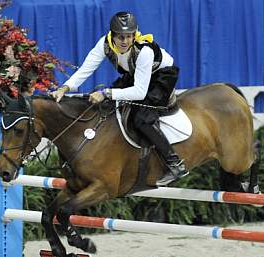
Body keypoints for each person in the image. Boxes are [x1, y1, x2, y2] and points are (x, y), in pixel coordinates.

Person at [51, 11, 188, 186]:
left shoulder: (144, 51)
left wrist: (107, 93)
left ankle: (174, 163)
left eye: (129, 36)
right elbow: (86, 69)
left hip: (160, 78)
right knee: (108, 105)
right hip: (136, 75)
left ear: (134, 34)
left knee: (141, 119)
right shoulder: (104, 43)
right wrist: (65, 88)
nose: (124, 41)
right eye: (120, 37)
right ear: (112, 35)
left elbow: (139, 92)